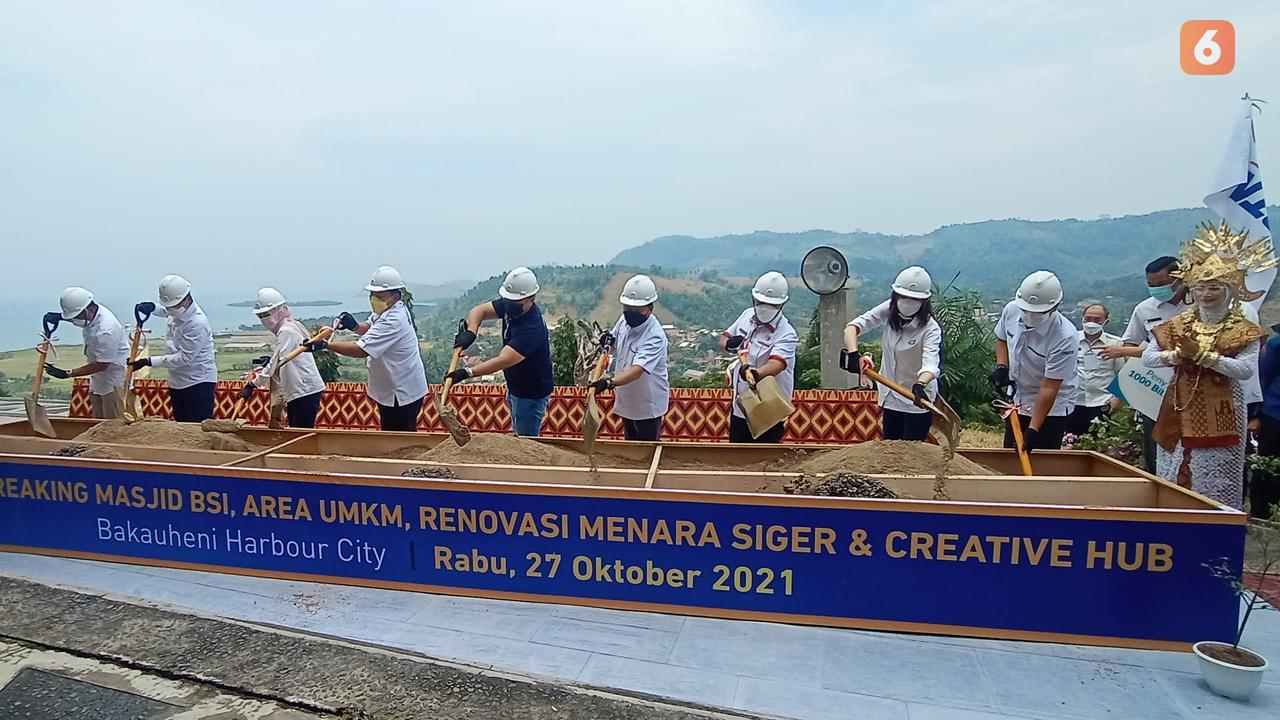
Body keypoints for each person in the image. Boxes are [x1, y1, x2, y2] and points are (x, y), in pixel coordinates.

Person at [1141, 223, 1266, 509]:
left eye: (1214, 288)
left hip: (1223, 406)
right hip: (1179, 402)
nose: (1206, 294)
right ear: (1191, 289)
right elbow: (1148, 358)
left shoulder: (1243, 329)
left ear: (1229, 289)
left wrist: (1205, 357)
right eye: (1200, 287)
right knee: (1172, 466)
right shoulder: (1177, 325)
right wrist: (1175, 356)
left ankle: (1216, 521)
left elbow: (1246, 369)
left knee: (1216, 473)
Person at [306, 266, 427, 432]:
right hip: (392, 388)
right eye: (372, 294)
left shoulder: (394, 320)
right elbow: (370, 326)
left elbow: (361, 350)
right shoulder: (388, 310)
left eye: (379, 296)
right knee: (390, 434)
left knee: (399, 438)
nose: (373, 299)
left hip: (401, 392)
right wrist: (354, 326)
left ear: (395, 297)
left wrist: (325, 345)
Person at [1102, 256, 1193, 473]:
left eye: (1161, 284)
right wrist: (1139, 375)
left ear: (1179, 278)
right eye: (1151, 285)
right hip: (1156, 389)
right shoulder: (1145, 309)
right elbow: (1130, 343)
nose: (1156, 289)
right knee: (1155, 446)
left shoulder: (1198, 306)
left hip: (1194, 387)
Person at [448, 267, 553, 437]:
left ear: (531, 298)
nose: (509, 305)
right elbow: (479, 311)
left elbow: (503, 360)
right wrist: (471, 332)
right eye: (508, 300)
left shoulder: (532, 329)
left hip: (531, 393)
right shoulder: (512, 303)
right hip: (515, 385)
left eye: (515, 302)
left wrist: (467, 372)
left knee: (525, 441)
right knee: (517, 431)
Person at [842, 266, 942, 441]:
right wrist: (853, 354)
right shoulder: (889, 309)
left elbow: (930, 364)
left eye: (914, 299)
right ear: (896, 295)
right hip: (890, 395)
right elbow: (853, 327)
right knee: (890, 447)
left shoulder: (931, 329)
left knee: (911, 450)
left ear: (924, 301)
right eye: (903, 297)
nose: (908, 302)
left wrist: (920, 384)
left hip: (916, 399)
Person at [991, 270, 1080, 451]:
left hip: (1051, 408)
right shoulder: (1011, 310)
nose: (1030, 315)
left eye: (1038, 312)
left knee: (1040, 457)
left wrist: (1033, 429)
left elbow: (1050, 387)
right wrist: (1002, 366)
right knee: (1011, 454)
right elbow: (1002, 339)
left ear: (1055, 306)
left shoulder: (1065, 337)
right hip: (1018, 398)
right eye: (1026, 310)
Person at [589, 274, 669, 441]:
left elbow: (637, 370)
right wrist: (608, 340)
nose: (632, 313)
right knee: (629, 447)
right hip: (627, 400)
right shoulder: (624, 320)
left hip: (647, 405)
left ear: (650, 308)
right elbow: (614, 339)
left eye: (637, 309)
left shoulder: (654, 336)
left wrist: (609, 383)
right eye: (628, 308)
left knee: (645, 450)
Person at [721, 271, 798, 443]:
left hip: (769, 408)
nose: (764, 308)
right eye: (761, 303)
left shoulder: (786, 333)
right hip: (742, 406)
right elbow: (724, 338)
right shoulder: (746, 316)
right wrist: (729, 344)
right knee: (737, 452)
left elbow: (776, 364)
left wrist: (754, 374)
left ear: (781, 304)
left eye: (771, 305)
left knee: (765, 454)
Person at [130, 275, 217, 423]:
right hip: (177, 380)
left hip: (197, 382)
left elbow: (184, 358)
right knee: (180, 425)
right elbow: (166, 311)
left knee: (195, 428)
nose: (170, 309)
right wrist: (152, 307)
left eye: (173, 306)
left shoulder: (197, 323)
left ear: (186, 299)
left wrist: (148, 361)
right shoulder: (178, 309)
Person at [241, 288, 325, 428]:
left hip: (304, 390)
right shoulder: (291, 326)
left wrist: (253, 384)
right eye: (261, 316)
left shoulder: (286, 331)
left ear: (279, 310)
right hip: (301, 389)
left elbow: (276, 363)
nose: (264, 319)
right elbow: (281, 357)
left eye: (267, 314)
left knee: (300, 433)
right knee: (297, 430)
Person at [42, 287, 128, 419]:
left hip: (114, 380)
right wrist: (60, 317)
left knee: (113, 422)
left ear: (87, 310)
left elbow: (102, 364)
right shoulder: (92, 313)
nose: (75, 320)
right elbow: (80, 318)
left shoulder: (106, 330)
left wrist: (68, 373)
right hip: (98, 378)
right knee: (98, 421)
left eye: (76, 316)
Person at [1068, 303, 1125, 437]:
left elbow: (1122, 373)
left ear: (1106, 322)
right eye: (1088, 319)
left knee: (1098, 442)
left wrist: (1118, 398)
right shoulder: (1070, 339)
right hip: (1072, 401)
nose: (1091, 323)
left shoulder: (1116, 344)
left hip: (1102, 401)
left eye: (1097, 320)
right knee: (1069, 442)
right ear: (1082, 319)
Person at [1257, 324, 1280, 517]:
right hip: (1274, 415)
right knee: (1267, 467)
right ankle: (1261, 513)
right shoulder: (1276, 345)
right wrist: (1255, 415)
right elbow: (1262, 378)